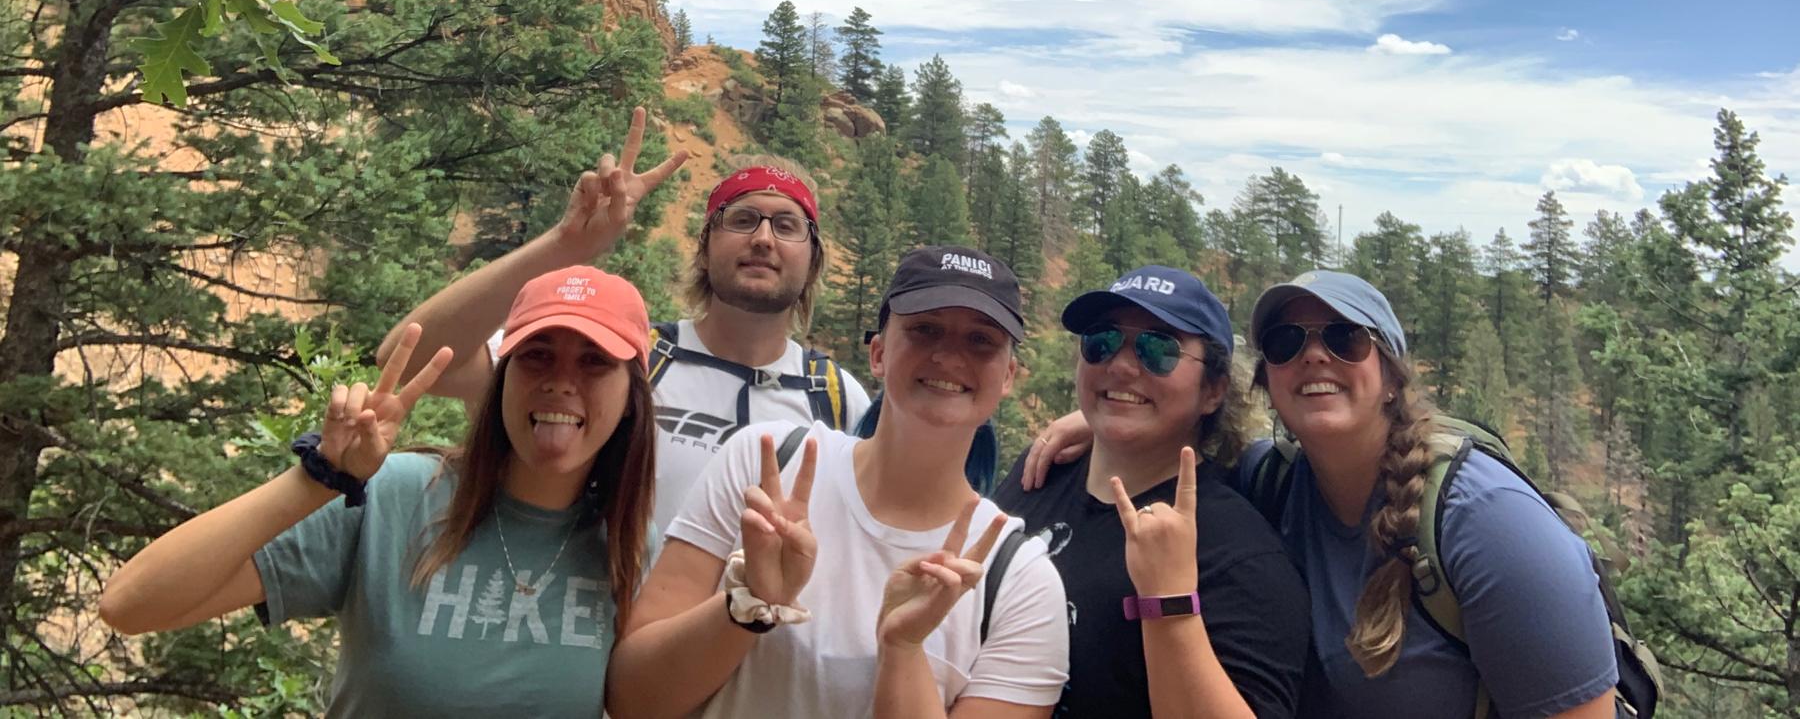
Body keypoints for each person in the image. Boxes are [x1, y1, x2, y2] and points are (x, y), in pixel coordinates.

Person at [99, 266, 660, 718]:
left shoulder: (631, 545)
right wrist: (318, 478)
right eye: (537, 354)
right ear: (501, 378)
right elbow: (130, 603)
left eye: (594, 362)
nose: (561, 380)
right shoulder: (395, 496)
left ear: (631, 396)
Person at [606, 245, 1070, 719]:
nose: (950, 356)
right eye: (925, 329)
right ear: (879, 353)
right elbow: (632, 698)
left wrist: (904, 647)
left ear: (1008, 375)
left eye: (981, 341)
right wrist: (748, 604)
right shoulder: (763, 466)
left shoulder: (1020, 581)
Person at [380, 105, 871, 528]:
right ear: (703, 250)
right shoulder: (624, 355)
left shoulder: (835, 395)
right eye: (741, 220)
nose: (762, 238)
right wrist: (567, 245)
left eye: (786, 225)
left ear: (814, 260)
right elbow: (412, 358)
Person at [1239, 270, 1619, 719]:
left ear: (1392, 379)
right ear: (1267, 382)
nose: (1315, 355)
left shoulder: (1488, 521)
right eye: (1286, 342)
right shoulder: (1262, 482)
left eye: (1345, 337)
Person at [994, 267, 1311, 719]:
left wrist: (1169, 603)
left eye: (1158, 349)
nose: (1121, 365)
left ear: (1213, 391)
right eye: (1101, 341)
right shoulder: (1037, 474)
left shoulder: (1240, 557)